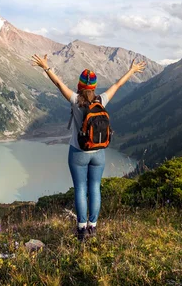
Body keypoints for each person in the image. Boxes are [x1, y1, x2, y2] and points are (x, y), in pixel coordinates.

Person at [31, 54, 146, 241]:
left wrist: (46, 67)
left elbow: (59, 84)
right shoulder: (101, 100)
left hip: (78, 152)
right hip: (98, 153)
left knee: (80, 189)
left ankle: (81, 228)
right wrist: (131, 71)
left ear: (80, 85)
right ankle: (93, 226)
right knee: (95, 188)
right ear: (93, 87)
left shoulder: (76, 100)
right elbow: (117, 85)